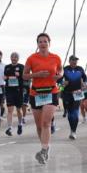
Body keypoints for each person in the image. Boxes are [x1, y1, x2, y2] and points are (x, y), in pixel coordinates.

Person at [23, 33, 62, 164]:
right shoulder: (31, 58)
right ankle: (45, 147)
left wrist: (59, 75)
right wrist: (37, 74)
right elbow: (24, 76)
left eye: (45, 41)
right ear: (37, 44)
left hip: (51, 92)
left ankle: (43, 151)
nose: (43, 44)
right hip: (36, 94)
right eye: (40, 42)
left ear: (49, 43)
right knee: (39, 126)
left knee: (46, 123)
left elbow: (60, 70)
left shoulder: (56, 57)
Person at [59, 55, 87, 139]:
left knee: (75, 113)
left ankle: (74, 131)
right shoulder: (65, 69)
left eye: (76, 60)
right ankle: (72, 129)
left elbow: (84, 78)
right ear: (69, 61)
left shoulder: (80, 69)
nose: (74, 62)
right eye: (73, 60)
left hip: (77, 93)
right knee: (70, 114)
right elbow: (58, 81)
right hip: (67, 93)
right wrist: (63, 84)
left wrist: (83, 84)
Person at [3, 52, 26, 136]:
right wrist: (5, 78)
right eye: (12, 57)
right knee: (10, 110)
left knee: (19, 110)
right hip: (9, 91)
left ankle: (20, 124)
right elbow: (5, 77)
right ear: (10, 58)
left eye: (15, 57)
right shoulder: (7, 67)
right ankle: (9, 128)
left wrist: (19, 75)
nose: (14, 58)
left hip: (18, 91)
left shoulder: (21, 67)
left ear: (18, 58)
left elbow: (24, 77)